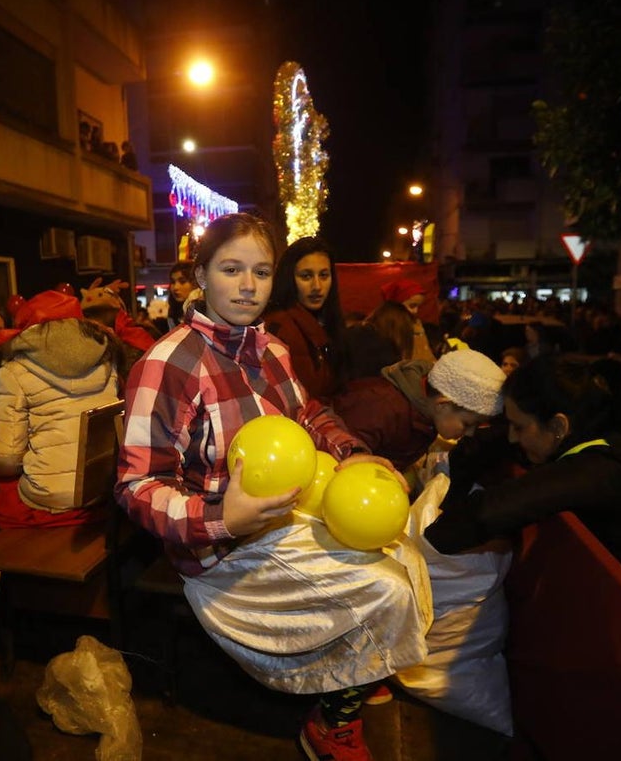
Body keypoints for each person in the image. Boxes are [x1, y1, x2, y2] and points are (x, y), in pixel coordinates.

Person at [115, 212, 430, 760]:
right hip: (221, 549)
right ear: (200, 274)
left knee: (403, 548)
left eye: (260, 272)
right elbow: (138, 484)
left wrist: (352, 452)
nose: (247, 286)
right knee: (388, 588)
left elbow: (307, 415)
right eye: (231, 269)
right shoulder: (166, 365)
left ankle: (359, 662)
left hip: (286, 518)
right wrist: (222, 519)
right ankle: (330, 723)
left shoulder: (271, 350)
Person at [425, 354, 621, 614]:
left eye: (519, 427)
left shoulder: (604, 470)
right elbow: (487, 444)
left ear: (558, 425)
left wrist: (422, 549)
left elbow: (489, 512)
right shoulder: (591, 439)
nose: (512, 437)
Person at [0, 291, 121, 530]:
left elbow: (6, 459)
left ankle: (5, 566)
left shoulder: (13, 372)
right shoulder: (105, 359)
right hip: (103, 486)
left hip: (51, 496)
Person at [332, 348, 507, 474]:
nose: (469, 433)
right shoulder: (381, 407)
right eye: (468, 424)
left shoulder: (426, 415)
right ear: (443, 405)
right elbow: (339, 458)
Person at [263, 236, 346, 402]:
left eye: (324, 275)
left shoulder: (326, 320)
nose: (317, 286)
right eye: (306, 276)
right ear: (289, 278)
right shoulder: (281, 325)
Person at [380, 278, 436, 363]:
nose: (415, 311)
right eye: (412, 306)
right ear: (396, 305)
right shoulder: (386, 327)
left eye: (418, 306)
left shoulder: (416, 323)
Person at [166, 260, 197, 330]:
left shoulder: (207, 310)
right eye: (173, 282)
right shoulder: (173, 313)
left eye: (182, 281)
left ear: (195, 283)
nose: (175, 287)